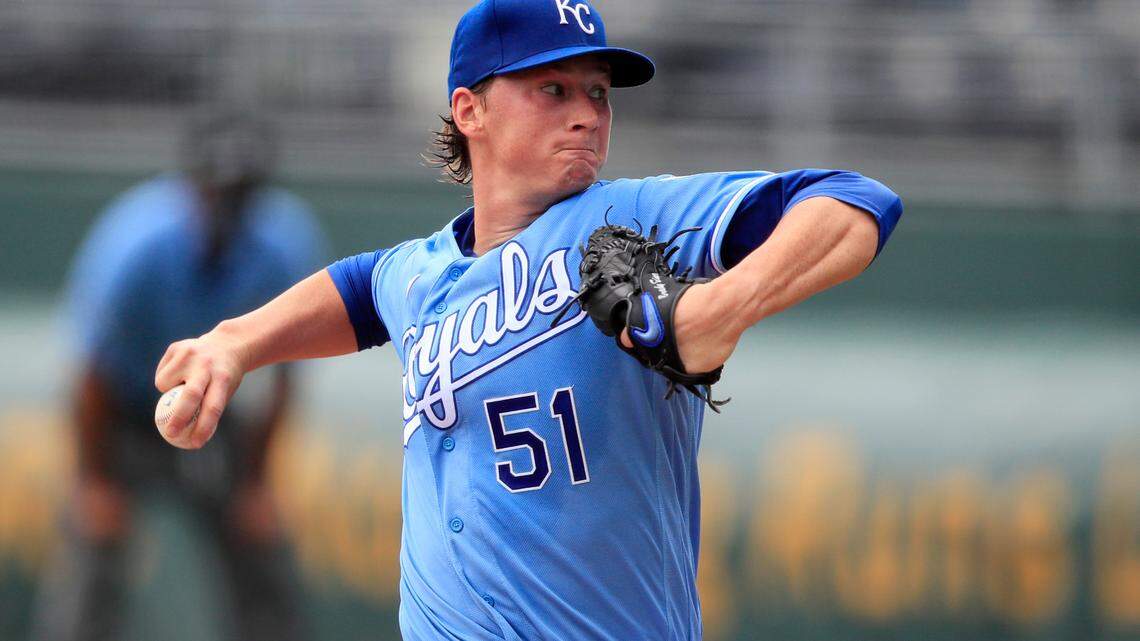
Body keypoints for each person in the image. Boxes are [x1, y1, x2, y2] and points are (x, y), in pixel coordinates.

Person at [154, 1, 903, 639]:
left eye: (599, 93)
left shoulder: (629, 219)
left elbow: (854, 202)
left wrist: (721, 307)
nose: (587, 114)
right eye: (553, 88)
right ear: (468, 108)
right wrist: (234, 343)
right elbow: (357, 289)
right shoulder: (421, 273)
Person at [34, 110, 322, 641]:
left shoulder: (280, 238)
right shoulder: (137, 242)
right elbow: (90, 374)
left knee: (259, 550)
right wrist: (95, 481)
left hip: (209, 407)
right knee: (94, 552)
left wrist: (256, 482)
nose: (227, 207)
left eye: (240, 194)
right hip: (121, 411)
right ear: (192, 185)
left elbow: (287, 371)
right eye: (217, 190)